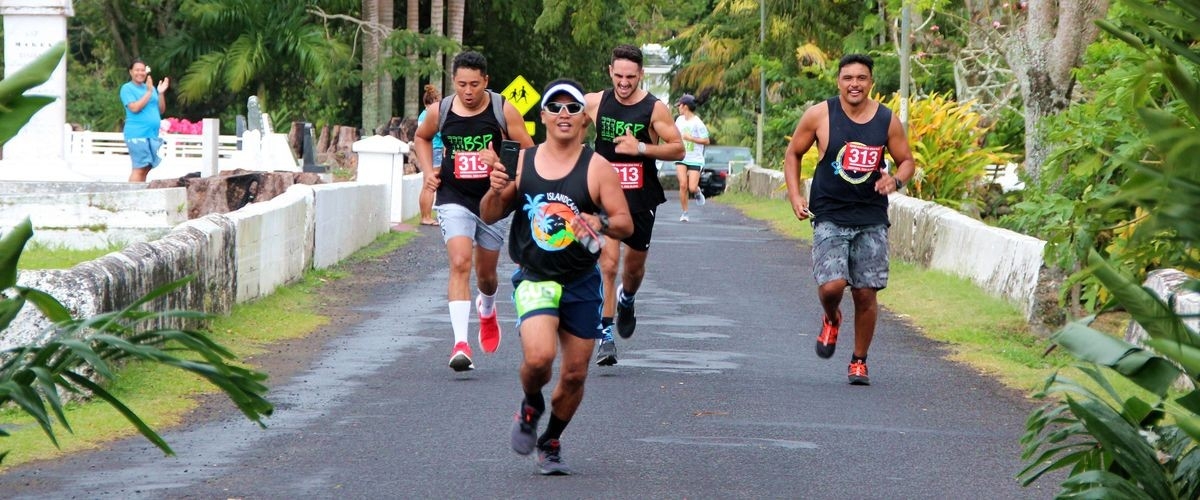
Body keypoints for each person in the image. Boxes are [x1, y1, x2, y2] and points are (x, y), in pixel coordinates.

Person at [480, 78, 633, 475]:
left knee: (575, 374)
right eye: (556, 107)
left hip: (581, 281)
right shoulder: (523, 162)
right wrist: (496, 189)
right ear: (543, 115)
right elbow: (490, 213)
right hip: (535, 277)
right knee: (539, 358)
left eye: (572, 108)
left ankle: (550, 442)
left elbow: (624, 223)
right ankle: (531, 403)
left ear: (585, 118)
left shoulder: (597, 167)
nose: (564, 114)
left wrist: (597, 221)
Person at [783, 53, 916, 386]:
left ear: (871, 82)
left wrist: (895, 181)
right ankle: (831, 317)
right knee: (832, 286)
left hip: (871, 214)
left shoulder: (886, 120)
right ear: (838, 81)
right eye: (848, 78)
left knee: (865, 293)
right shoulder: (819, 115)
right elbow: (793, 153)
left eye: (861, 78)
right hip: (829, 212)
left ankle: (859, 361)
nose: (854, 84)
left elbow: (906, 162)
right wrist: (795, 195)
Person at [413, 51, 535, 372]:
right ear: (453, 81)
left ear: (486, 82)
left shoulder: (502, 109)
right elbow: (421, 137)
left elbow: (530, 151)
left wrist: (500, 166)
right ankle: (460, 344)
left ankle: (488, 308)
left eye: (475, 85)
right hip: (453, 195)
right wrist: (428, 170)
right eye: (461, 84)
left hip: (492, 200)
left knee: (487, 276)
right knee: (459, 262)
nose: (468, 92)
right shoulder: (439, 111)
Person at [583, 44, 685, 366]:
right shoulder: (594, 102)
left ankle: (627, 299)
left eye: (631, 77)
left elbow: (678, 149)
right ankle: (606, 338)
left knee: (632, 268)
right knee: (608, 264)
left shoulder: (655, 109)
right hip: (604, 196)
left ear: (640, 75)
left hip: (640, 196)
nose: (624, 83)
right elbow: (568, 132)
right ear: (610, 72)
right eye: (619, 76)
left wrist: (639, 147)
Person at [120, 59, 169, 182]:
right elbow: (134, 108)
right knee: (139, 168)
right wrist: (148, 92)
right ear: (131, 72)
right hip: (137, 134)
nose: (140, 73)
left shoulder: (150, 88)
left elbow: (161, 110)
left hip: (151, 134)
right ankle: (132, 197)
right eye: (137, 70)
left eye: (143, 70)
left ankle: (139, 194)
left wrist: (160, 93)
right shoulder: (127, 88)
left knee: (146, 167)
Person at [673, 93, 710, 222]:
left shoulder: (698, 123)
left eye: (680, 106)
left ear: (685, 107)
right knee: (683, 185)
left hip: (695, 158)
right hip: (681, 156)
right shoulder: (679, 120)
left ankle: (698, 192)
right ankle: (685, 212)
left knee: (692, 187)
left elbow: (706, 141)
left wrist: (691, 138)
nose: (678, 108)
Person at [416, 84, 444, 226]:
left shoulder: (422, 115)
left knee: (427, 182)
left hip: (427, 152)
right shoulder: (432, 116)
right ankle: (426, 217)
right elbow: (440, 133)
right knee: (432, 183)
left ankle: (425, 215)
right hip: (436, 150)